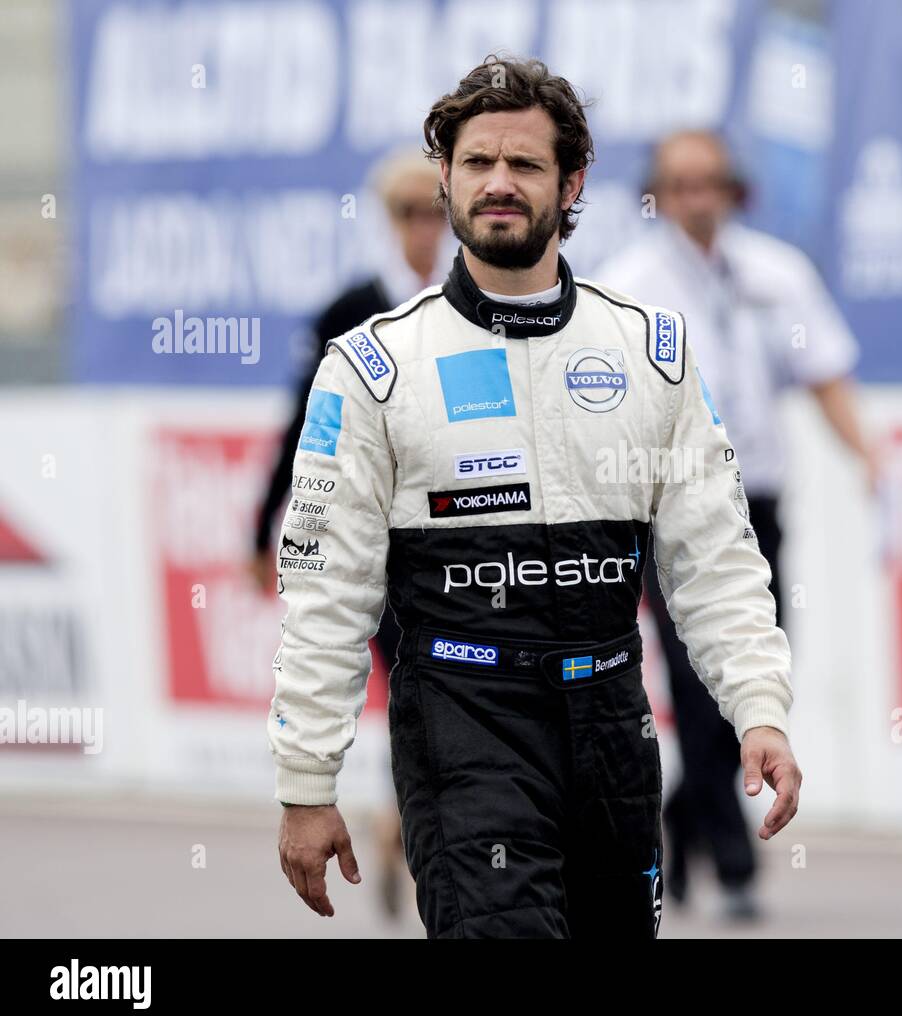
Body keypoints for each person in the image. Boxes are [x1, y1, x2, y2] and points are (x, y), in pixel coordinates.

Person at [269, 56, 800, 939]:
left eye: (525, 165)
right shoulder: (372, 367)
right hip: (462, 723)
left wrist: (760, 707)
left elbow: (715, 558)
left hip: (609, 726)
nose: (500, 184)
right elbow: (327, 595)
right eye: (478, 163)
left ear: (573, 182)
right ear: (445, 178)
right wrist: (305, 782)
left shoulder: (651, 350)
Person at [596, 130, 877, 918]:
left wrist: (868, 455)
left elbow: (825, 373)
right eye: (679, 183)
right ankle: (732, 857)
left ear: (733, 189)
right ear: (658, 192)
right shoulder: (629, 285)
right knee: (693, 675)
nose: (696, 196)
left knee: (756, 665)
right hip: (671, 506)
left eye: (709, 181)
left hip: (758, 499)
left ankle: (681, 817)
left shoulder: (777, 275)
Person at [252, 148, 444, 918]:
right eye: (407, 213)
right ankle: (405, 815)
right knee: (408, 684)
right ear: (387, 221)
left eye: (434, 211)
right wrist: (260, 523)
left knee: (440, 683)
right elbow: (304, 425)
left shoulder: (475, 303)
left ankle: (406, 817)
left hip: (454, 537)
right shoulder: (352, 309)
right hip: (373, 538)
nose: (422, 229)